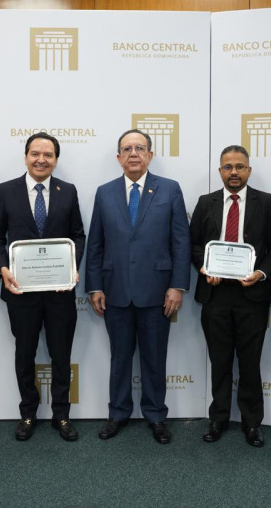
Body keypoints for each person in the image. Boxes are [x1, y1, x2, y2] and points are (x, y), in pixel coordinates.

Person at [85, 129, 191, 444]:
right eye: (127, 149)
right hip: (115, 289)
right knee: (119, 357)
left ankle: (156, 415)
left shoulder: (169, 190)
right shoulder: (104, 192)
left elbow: (181, 242)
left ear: (150, 155)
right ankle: (117, 413)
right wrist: (94, 286)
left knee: (154, 358)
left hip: (158, 292)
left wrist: (177, 286)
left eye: (140, 148)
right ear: (118, 157)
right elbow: (96, 244)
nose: (134, 153)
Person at [0, 132, 85, 442]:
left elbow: (78, 236)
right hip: (20, 292)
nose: (41, 159)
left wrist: (71, 267)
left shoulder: (67, 191)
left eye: (48, 154)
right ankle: (28, 413)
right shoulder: (7, 190)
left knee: (60, 355)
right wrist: (3, 268)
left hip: (60, 293)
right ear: (26, 156)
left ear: (56, 159)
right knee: (24, 353)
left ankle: (62, 415)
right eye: (35, 153)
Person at [189, 145, 271, 447]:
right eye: (228, 167)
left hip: (251, 294)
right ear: (220, 171)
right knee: (219, 361)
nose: (233, 172)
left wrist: (261, 273)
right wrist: (204, 268)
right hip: (216, 294)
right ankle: (218, 418)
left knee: (250, 362)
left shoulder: (265, 202)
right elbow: (192, 246)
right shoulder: (205, 203)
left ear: (249, 170)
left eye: (239, 166)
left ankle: (252, 423)